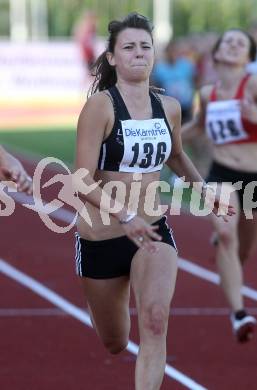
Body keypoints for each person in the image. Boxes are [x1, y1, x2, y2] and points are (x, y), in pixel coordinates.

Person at [74, 13, 234, 389]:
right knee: (115, 342)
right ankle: (107, 300)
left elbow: (176, 155)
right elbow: (80, 180)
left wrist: (203, 190)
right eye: (128, 47)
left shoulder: (169, 107)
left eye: (145, 46)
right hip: (102, 235)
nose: (138, 53)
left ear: (154, 54)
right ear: (112, 58)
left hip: (152, 229)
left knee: (156, 319)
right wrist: (124, 215)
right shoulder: (100, 107)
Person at [182, 28, 257, 343]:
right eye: (228, 40)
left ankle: (228, 258)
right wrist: (164, 138)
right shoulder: (207, 92)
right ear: (216, 53)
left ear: (248, 58)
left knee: (242, 249)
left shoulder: (253, 85)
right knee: (226, 234)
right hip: (221, 172)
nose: (233, 44)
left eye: (240, 43)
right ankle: (239, 314)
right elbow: (198, 128)